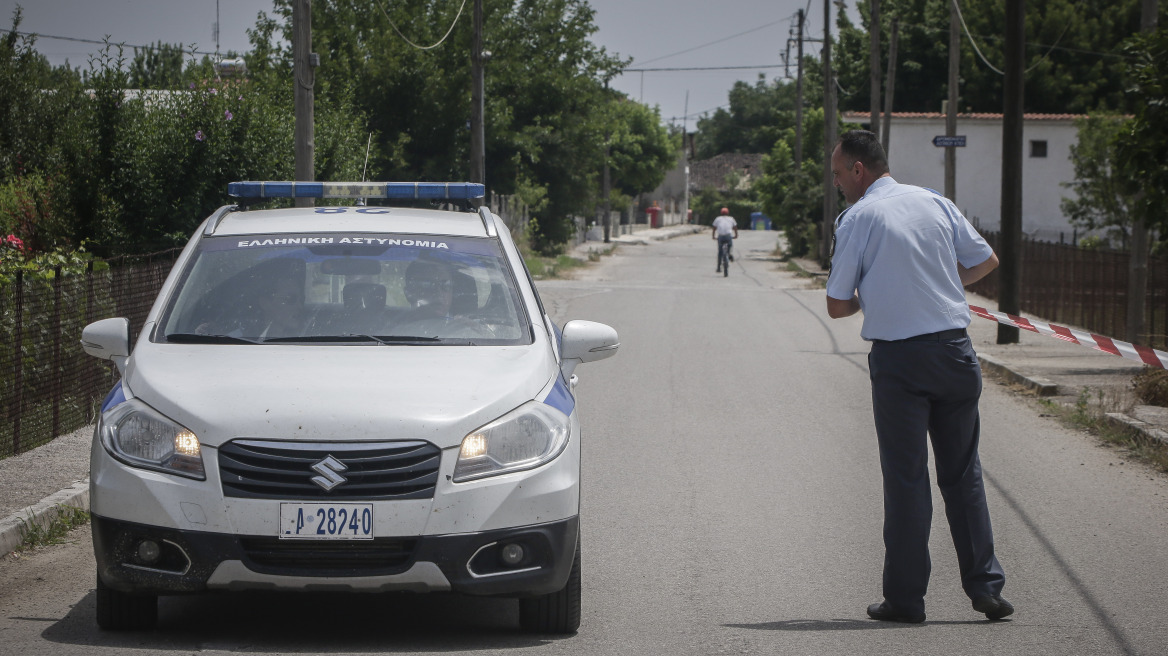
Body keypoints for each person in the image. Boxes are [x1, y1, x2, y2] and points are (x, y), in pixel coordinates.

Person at [824, 129, 1011, 624]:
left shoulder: (858, 217)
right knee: (963, 474)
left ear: (858, 170)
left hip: (901, 363)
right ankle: (986, 588)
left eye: (839, 173)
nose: (838, 183)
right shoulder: (935, 203)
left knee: (907, 481)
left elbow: (838, 304)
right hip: (955, 354)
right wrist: (939, 283)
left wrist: (886, 294)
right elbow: (985, 260)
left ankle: (906, 600)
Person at [712, 207, 738, 273]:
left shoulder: (717, 219)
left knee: (720, 252)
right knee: (730, 245)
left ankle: (718, 267)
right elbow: (735, 228)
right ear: (728, 213)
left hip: (720, 237)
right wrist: (736, 235)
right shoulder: (731, 218)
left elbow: (714, 228)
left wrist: (713, 236)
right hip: (728, 236)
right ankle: (729, 254)